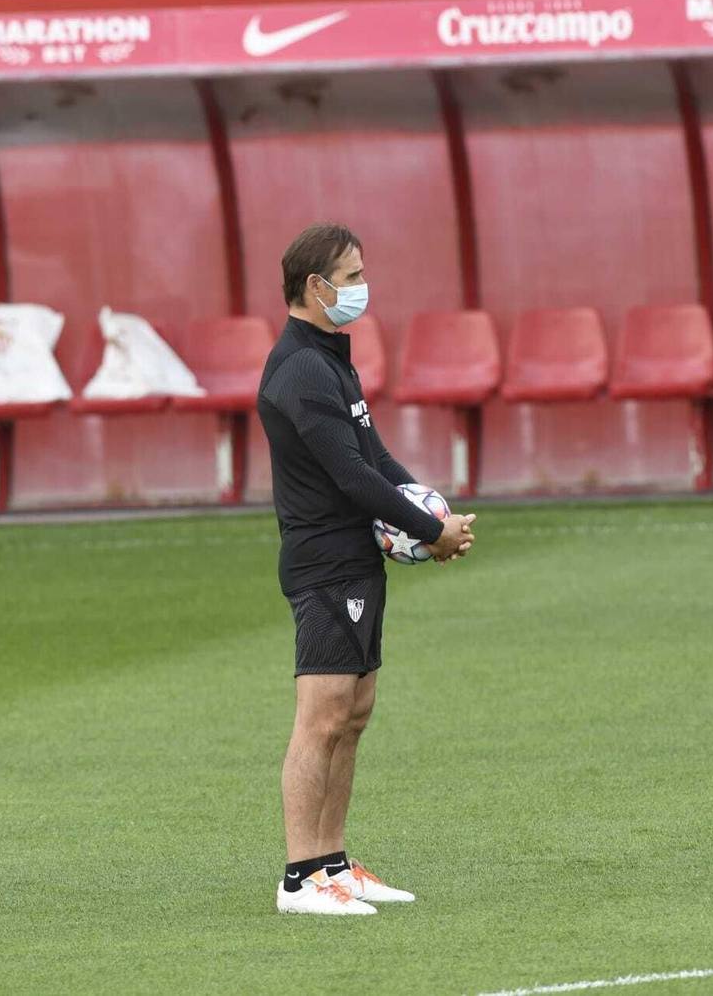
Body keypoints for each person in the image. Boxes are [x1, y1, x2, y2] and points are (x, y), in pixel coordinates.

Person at [256, 222, 477, 916]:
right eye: (351, 277)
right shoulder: (299, 369)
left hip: (356, 562)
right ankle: (299, 880)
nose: (361, 288)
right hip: (324, 564)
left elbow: (376, 459)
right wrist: (430, 531)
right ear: (316, 287)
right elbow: (351, 477)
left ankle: (333, 863)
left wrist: (433, 514)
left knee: (354, 714)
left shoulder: (331, 359)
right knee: (320, 719)